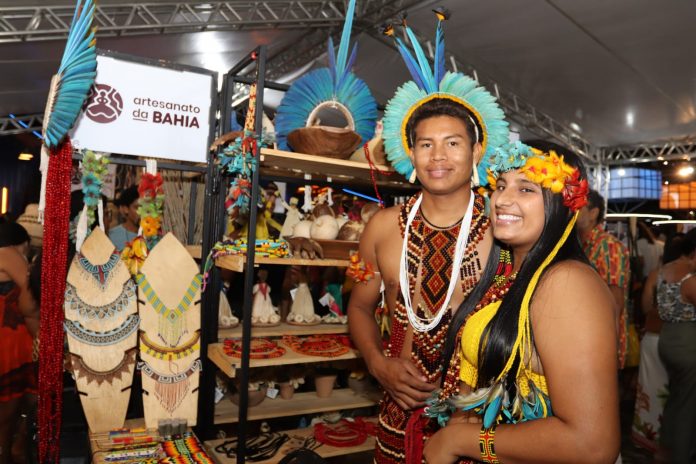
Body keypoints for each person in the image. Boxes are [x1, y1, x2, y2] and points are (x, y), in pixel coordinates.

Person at [348, 12, 509, 463]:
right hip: (398, 416)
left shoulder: (505, 226)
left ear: (477, 149)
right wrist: (379, 365)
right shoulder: (381, 226)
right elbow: (359, 306)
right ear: (410, 151)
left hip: (482, 422)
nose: (438, 156)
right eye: (425, 144)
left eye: (453, 143)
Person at [423, 143, 619, 463]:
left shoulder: (568, 283)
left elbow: (592, 445)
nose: (501, 199)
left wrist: (461, 439)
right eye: (500, 186)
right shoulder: (508, 276)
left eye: (526, 188)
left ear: (562, 203)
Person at [632, 234, 683, 454]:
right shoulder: (688, 277)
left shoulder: (657, 274)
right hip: (678, 340)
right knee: (675, 392)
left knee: (650, 390)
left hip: (652, 338)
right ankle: (672, 440)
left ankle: (645, 436)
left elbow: (644, 306)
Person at [653, 229, 696, 463]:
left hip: (666, 338)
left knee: (676, 399)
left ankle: (664, 451)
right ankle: (681, 456)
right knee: (688, 406)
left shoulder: (664, 270)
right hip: (688, 343)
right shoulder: (691, 279)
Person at [577, 189, 631, 368]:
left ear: (593, 213)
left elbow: (615, 303)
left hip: (601, 343)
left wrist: (609, 351)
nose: (572, 210)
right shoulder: (581, 244)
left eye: (579, 206)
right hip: (585, 338)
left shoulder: (608, 246)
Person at [0, 222, 38, 464]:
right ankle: (12, 449)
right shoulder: (9, 253)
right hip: (11, 339)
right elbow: (29, 302)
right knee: (12, 407)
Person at [109, 186, 139, 252]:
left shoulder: (154, 238)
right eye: (137, 207)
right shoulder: (111, 236)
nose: (142, 212)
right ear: (126, 209)